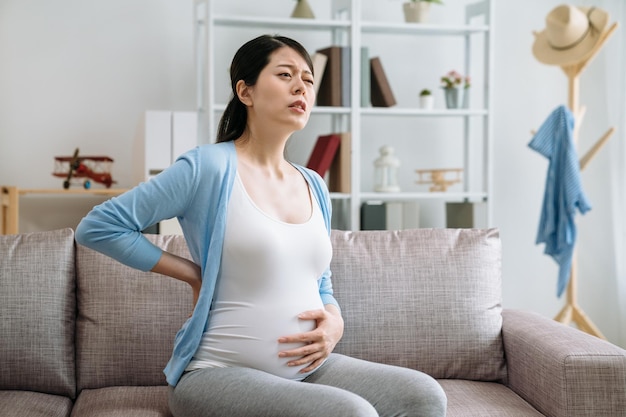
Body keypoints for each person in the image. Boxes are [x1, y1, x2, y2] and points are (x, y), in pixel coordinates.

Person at [75, 34, 447, 417]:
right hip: (218, 375)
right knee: (350, 414)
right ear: (246, 92)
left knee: (423, 395)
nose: (300, 85)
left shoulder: (314, 184)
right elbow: (99, 227)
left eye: (307, 79)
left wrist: (334, 321)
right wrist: (191, 273)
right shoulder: (208, 167)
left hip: (307, 372)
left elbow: (320, 281)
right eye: (285, 74)